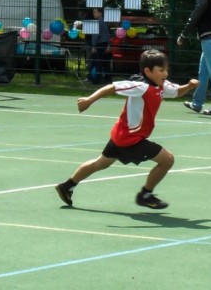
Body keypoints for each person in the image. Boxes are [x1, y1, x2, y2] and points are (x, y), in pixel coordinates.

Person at [55, 49, 199, 209]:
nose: (165, 73)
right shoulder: (140, 86)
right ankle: (145, 194)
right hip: (131, 139)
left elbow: (177, 92)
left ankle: (67, 186)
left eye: (166, 70)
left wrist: (189, 86)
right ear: (147, 71)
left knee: (100, 163)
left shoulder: (161, 85)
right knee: (168, 160)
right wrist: (89, 100)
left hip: (121, 135)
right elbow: (111, 87)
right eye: (161, 70)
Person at [86, 8, 111, 84]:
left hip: (99, 44)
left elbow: (95, 35)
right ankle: (107, 78)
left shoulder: (98, 23)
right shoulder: (104, 22)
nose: (94, 14)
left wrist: (94, 46)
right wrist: (108, 44)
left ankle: (96, 80)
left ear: (100, 13)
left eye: (95, 12)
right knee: (104, 62)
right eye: (93, 12)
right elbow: (107, 35)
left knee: (97, 62)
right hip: (104, 44)